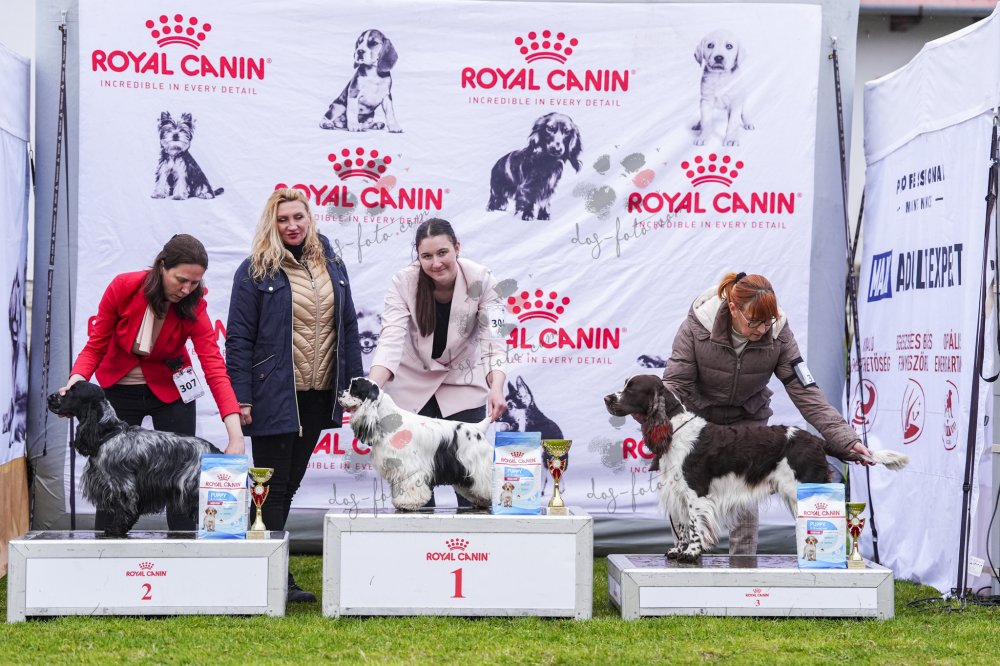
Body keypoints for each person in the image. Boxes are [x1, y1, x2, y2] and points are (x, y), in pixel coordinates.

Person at [662, 271, 873, 556]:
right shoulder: (697, 326)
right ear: (733, 308)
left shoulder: (779, 334)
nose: (762, 330)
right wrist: (667, 433)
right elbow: (674, 385)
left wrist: (846, 439)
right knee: (685, 496)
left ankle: (745, 572)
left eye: (768, 321)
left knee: (745, 506)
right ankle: (685, 563)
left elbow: (806, 392)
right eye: (754, 322)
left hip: (747, 420)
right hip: (698, 424)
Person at [226, 188, 362, 603]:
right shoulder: (254, 270)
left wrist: (354, 389)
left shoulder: (332, 263)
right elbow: (238, 339)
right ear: (272, 223)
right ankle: (267, 574)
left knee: (288, 485)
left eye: (298, 217)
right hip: (273, 393)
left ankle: (267, 568)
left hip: (318, 394)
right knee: (270, 486)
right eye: (282, 219)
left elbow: (349, 327)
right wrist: (241, 397)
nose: (292, 225)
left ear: (310, 218)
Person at [61, 234, 245, 532]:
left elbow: (214, 368)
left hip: (170, 391)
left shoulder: (195, 306)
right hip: (119, 390)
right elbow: (95, 346)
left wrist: (235, 436)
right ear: (162, 266)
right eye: (181, 280)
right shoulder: (123, 287)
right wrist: (75, 384)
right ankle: (105, 551)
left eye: (195, 283)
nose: (187, 290)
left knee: (183, 480)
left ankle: (184, 549)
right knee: (110, 481)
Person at [368, 218, 507, 507]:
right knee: (412, 489)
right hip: (411, 389)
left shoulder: (485, 280)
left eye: (443, 252)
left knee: (476, 490)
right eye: (427, 256)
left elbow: (494, 340)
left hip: (462, 387)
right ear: (418, 257)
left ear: (457, 247)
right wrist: (372, 390)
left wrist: (496, 387)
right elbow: (390, 340)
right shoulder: (402, 282)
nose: (436, 263)